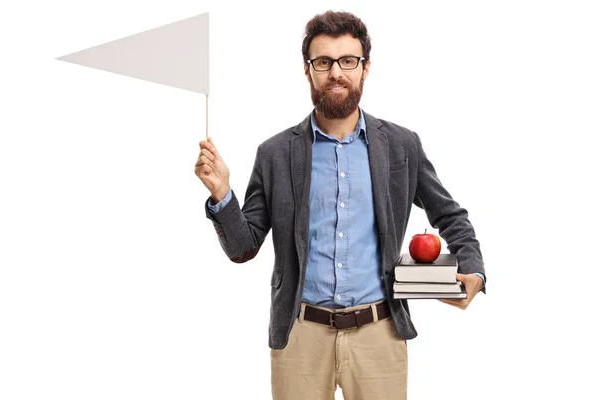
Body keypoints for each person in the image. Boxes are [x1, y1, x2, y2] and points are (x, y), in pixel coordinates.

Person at [195, 10, 485, 400]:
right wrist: (222, 194)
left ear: (366, 68)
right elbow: (243, 247)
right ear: (307, 70)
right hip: (300, 336)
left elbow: (450, 216)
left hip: (379, 334)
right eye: (324, 62)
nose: (336, 72)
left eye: (348, 61)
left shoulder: (401, 146)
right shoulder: (275, 154)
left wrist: (473, 271)